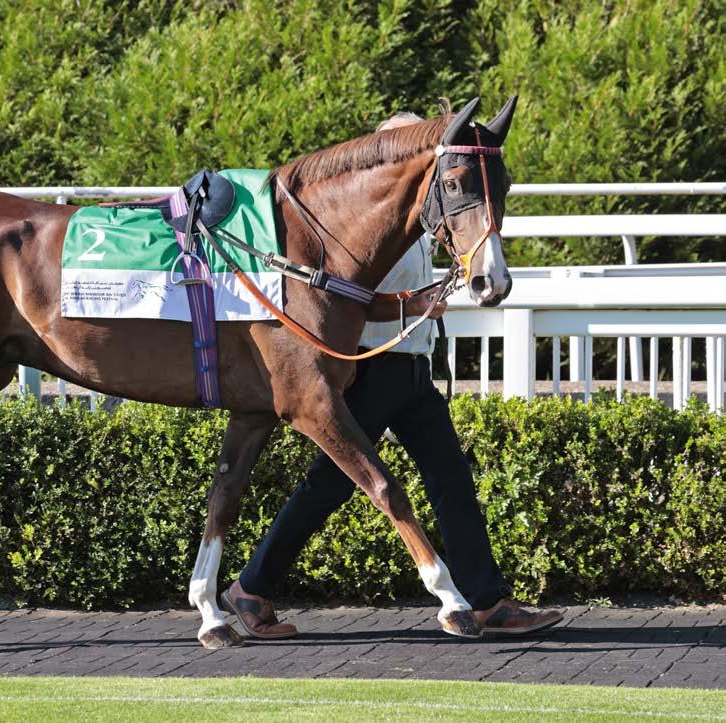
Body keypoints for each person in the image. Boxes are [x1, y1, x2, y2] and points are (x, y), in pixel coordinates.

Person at [219, 113, 564, 639]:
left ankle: (488, 602)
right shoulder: (362, 220)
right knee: (328, 485)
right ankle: (250, 588)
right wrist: (412, 303)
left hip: (412, 370)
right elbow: (349, 302)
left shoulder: (421, 216)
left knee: (450, 479)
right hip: (371, 369)